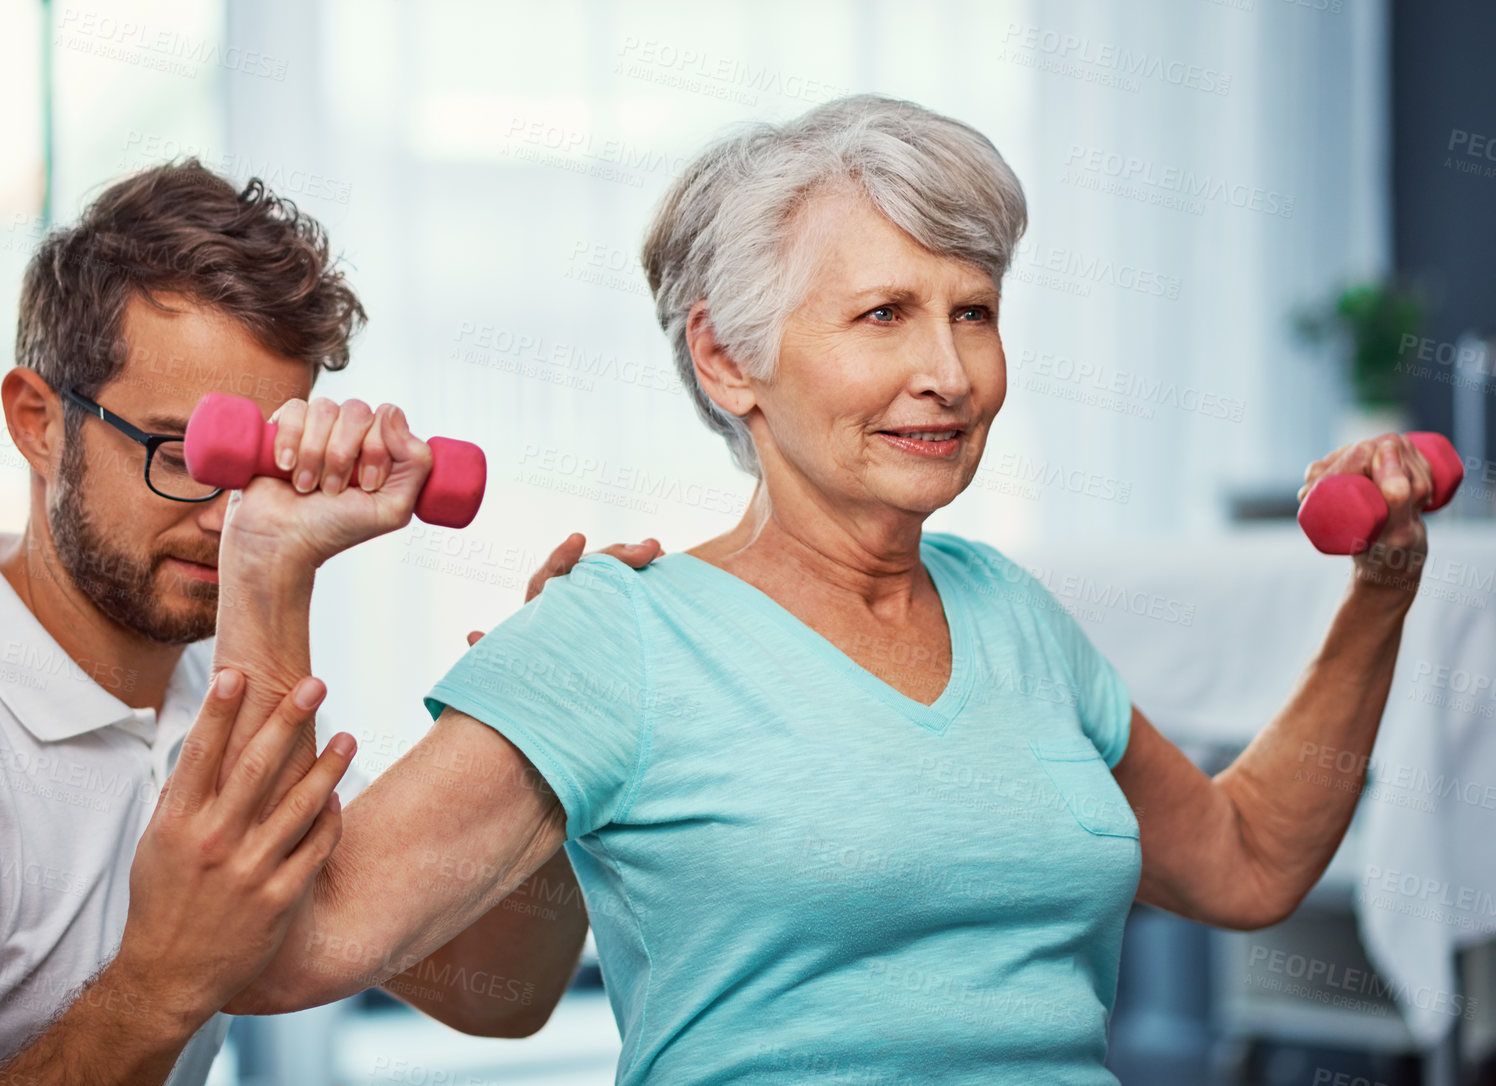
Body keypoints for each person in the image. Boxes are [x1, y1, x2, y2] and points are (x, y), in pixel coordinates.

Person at [189, 95, 1441, 1084]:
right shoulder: (612, 637)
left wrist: (1378, 596)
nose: (947, 372)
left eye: (973, 312)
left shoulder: (1014, 615)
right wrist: (268, 568)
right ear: (728, 358)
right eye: (884, 314)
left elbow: (1246, 862)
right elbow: (287, 946)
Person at [0, 159, 659, 1085]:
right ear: (37, 422)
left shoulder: (215, 698)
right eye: (184, 452)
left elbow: (501, 994)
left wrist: (541, 744)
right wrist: (158, 984)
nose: (230, 515)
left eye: (263, 467)